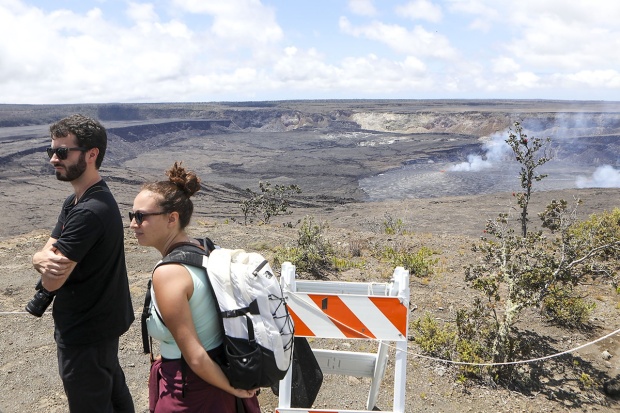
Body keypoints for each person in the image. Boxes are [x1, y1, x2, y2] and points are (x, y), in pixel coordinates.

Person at [131, 162, 260, 413]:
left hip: (192, 391)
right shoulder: (205, 249)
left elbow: (196, 356)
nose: (133, 224)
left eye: (141, 216)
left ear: (172, 218)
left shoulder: (169, 273)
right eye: (131, 215)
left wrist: (233, 389)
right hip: (218, 374)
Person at [31, 114, 135, 412]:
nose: (53, 159)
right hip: (100, 323)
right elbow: (47, 251)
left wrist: (42, 262)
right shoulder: (77, 201)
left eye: (62, 152)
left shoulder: (88, 211)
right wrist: (37, 257)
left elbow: (54, 277)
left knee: (90, 402)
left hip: (84, 329)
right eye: (51, 151)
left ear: (92, 155)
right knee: (113, 394)